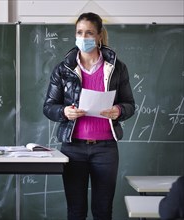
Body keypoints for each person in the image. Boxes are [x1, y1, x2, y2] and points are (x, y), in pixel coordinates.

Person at [43, 12, 135, 220]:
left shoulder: (117, 68)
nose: (83, 38)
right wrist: (64, 112)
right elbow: (48, 107)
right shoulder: (63, 69)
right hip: (73, 147)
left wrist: (118, 110)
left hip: (106, 149)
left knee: (103, 211)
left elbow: (130, 105)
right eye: (79, 33)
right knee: (76, 211)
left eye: (89, 33)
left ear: (100, 35)